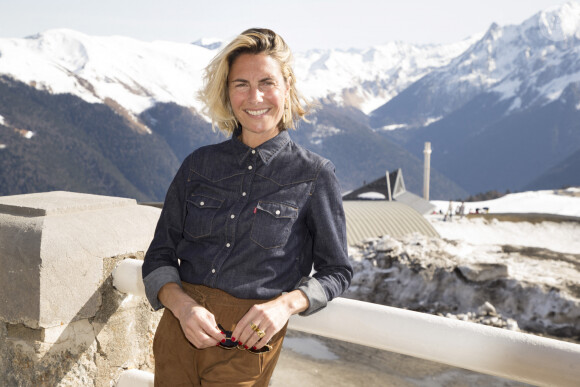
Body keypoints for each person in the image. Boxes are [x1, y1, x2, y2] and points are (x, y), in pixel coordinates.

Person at [142, 28, 353, 386]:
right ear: (227, 92)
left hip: (249, 340)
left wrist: (286, 305)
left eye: (266, 82)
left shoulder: (315, 175)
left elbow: (337, 271)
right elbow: (159, 255)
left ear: (287, 87)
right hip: (178, 331)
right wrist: (181, 305)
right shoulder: (198, 165)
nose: (254, 97)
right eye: (241, 84)